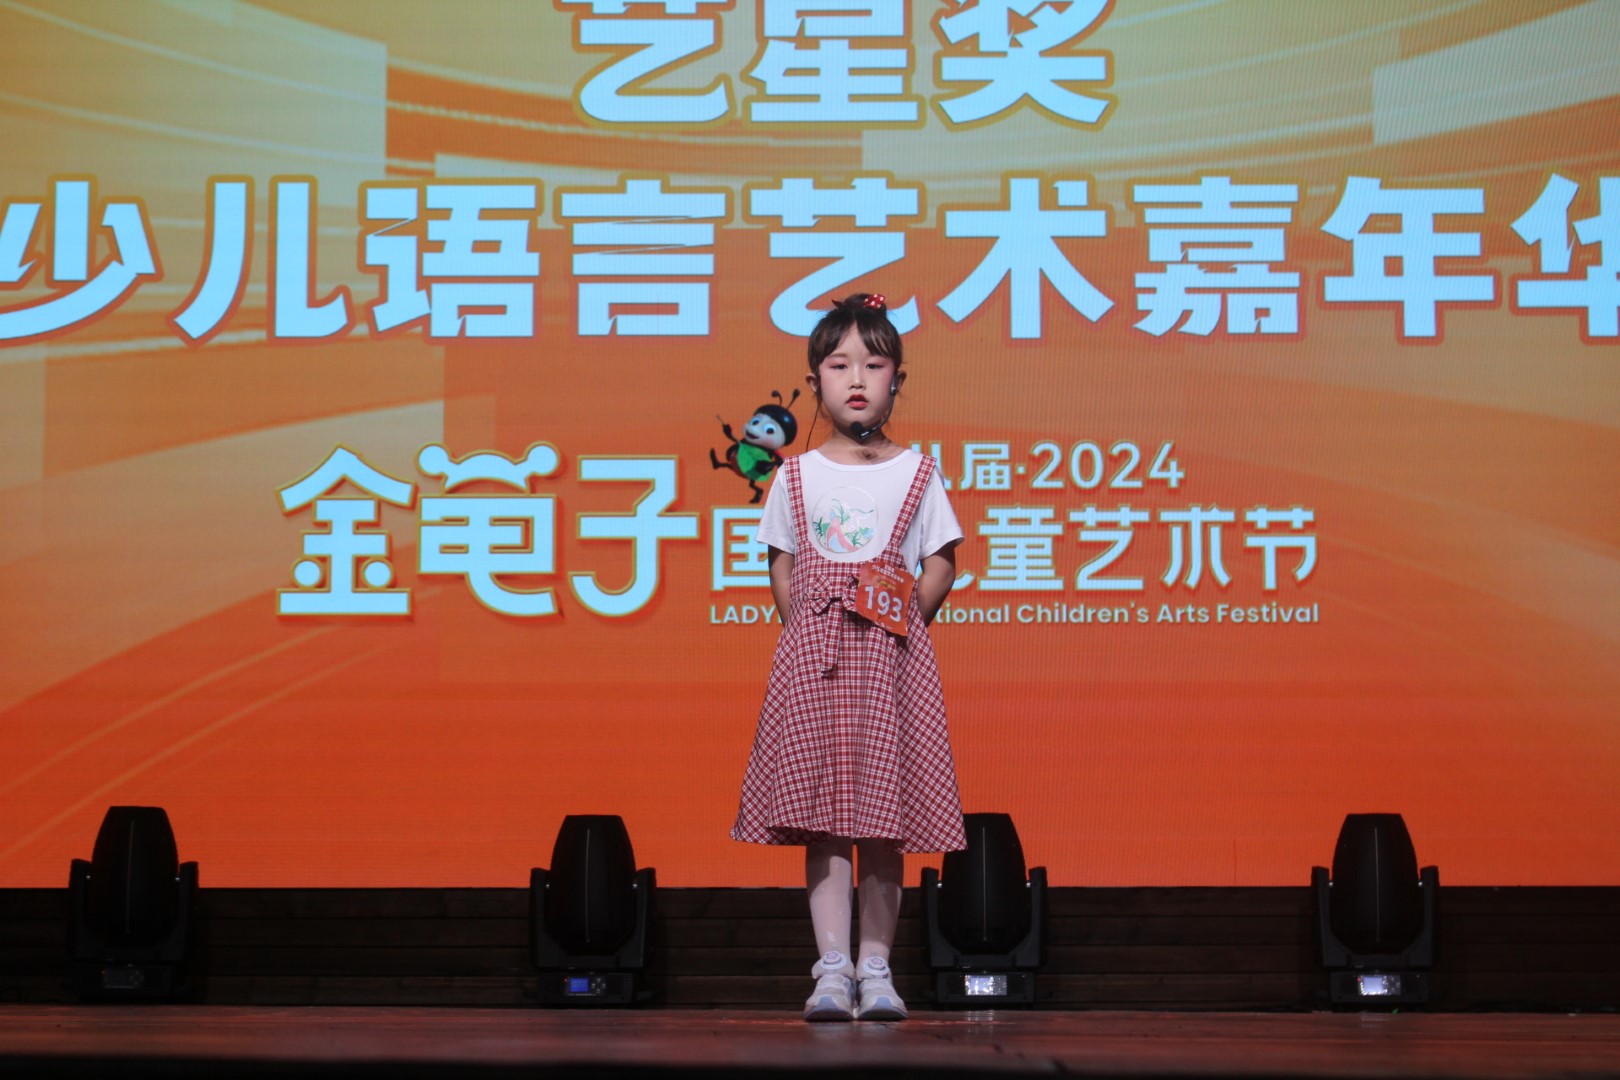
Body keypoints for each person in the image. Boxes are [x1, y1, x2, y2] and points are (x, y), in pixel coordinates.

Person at [732, 292, 967, 1022]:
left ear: (899, 378)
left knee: (883, 822)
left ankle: (877, 969)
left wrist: (901, 624)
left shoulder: (918, 472)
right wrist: (809, 632)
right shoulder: (796, 475)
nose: (857, 378)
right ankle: (831, 970)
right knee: (826, 820)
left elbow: (942, 561)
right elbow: (782, 567)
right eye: (839, 365)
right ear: (815, 382)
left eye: (873, 363)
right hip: (817, 661)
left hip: (890, 662)